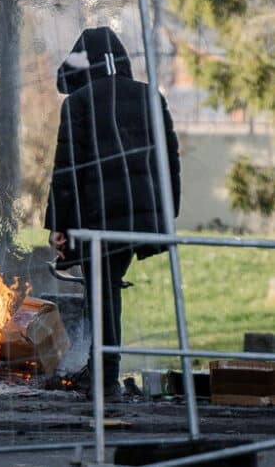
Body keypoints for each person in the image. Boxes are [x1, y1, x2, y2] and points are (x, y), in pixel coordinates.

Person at [45, 27, 181, 401]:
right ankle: (102, 369)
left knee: (101, 294)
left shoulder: (80, 102)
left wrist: (59, 226)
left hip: (97, 220)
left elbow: (67, 169)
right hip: (141, 219)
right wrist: (165, 217)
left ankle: (105, 379)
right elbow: (170, 162)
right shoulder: (150, 96)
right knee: (106, 291)